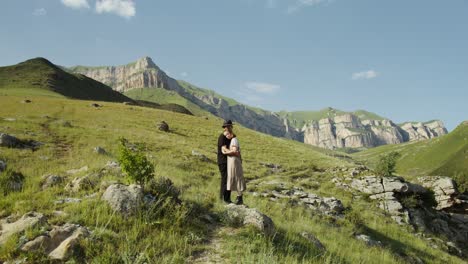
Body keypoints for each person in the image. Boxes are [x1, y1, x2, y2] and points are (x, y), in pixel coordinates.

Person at [222, 131, 246, 205]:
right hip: (233, 161)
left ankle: (239, 197)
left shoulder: (234, 140)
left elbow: (235, 151)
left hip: (234, 161)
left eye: (228, 134)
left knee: (237, 178)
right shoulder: (233, 140)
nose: (227, 136)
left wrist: (225, 151)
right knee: (236, 178)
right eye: (226, 135)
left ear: (231, 134)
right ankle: (239, 197)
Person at [218, 120, 234, 203]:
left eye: (229, 126)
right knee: (224, 180)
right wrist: (233, 152)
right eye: (226, 126)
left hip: (231, 161)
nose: (228, 128)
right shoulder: (222, 137)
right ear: (224, 128)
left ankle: (227, 199)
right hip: (223, 161)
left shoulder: (232, 137)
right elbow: (223, 149)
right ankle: (221, 199)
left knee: (230, 180)